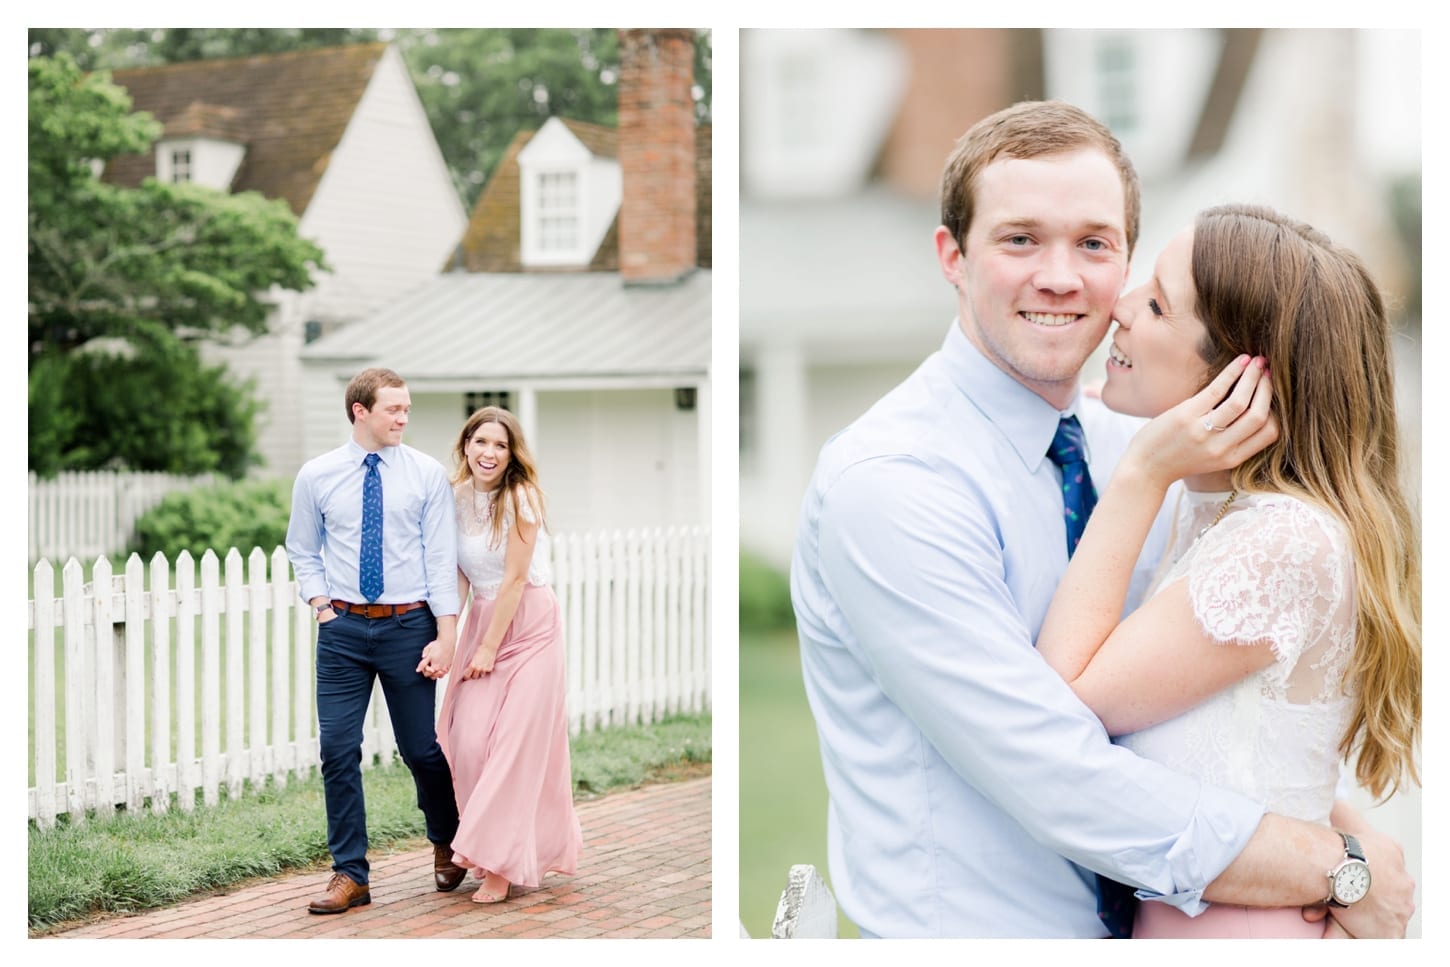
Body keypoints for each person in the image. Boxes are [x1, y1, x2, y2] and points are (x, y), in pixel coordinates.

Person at [790, 100, 1415, 937]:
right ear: (953, 255)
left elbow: (1209, 710)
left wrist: (1341, 829)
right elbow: (1056, 767)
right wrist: (1335, 865)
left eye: (1094, 243)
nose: (1062, 276)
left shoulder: (1150, 447)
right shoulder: (894, 485)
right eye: (1020, 240)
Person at [1034, 204, 1420, 937]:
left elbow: (1059, 707)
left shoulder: (1282, 542)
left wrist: (1143, 471)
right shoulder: (1218, 512)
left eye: (1155, 304)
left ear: (1237, 375)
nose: (1118, 306)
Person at [285, 367, 467, 914]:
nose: (403, 418)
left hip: (408, 628)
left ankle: (448, 840)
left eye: (407, 408)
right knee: (337, 751)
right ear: (359, 410)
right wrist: (320, 604)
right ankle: (350, 874)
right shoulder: (316, 475)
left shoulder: (426, 474)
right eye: (393, 409)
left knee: (421, 750)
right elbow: (302, 547)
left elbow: (440, 558)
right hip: (341, 630)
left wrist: (446, 634)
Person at [435, 406, 582, 904]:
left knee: (514, 747)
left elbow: (516, 579)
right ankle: (484, 847)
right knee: (469, 740)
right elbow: (456, 573)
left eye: (499, 445)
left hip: (529, 626)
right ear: (466, 446)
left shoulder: (521, 498)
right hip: (480, 616)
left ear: (511, 452)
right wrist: (449, 635)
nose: (489, 454)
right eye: (481, 443)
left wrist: (489, 648)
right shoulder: (453, 500)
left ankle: (500, 866)